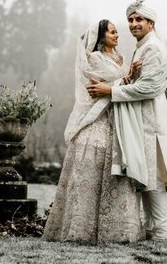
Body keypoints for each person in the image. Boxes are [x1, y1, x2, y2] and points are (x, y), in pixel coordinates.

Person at [87, 0, 167, 240]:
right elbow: (140, 83)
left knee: (153, 178)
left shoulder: (153, 48)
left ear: (151, 23)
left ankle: (161, 230)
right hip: (141, 118)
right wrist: (127, 78)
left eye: (139, 19)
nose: (133, 24)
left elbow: (149, 88)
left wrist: (111, 91)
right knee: (145, 176)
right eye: (130, 20)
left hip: (150, 118)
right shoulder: (143, 46)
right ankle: (153, 228)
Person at [42, 20, 145, 244]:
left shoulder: (120, 58)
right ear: (101, 37)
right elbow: (97, 91)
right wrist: (123, 79)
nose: (117, 35)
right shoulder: (94, 60)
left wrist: (130, 75)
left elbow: (116, 87)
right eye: (112, 32)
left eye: (117, 31)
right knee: (89, 177)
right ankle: (82, 230)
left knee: (116, 176)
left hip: (116, 123)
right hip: (95, 124)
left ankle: (117, 231)